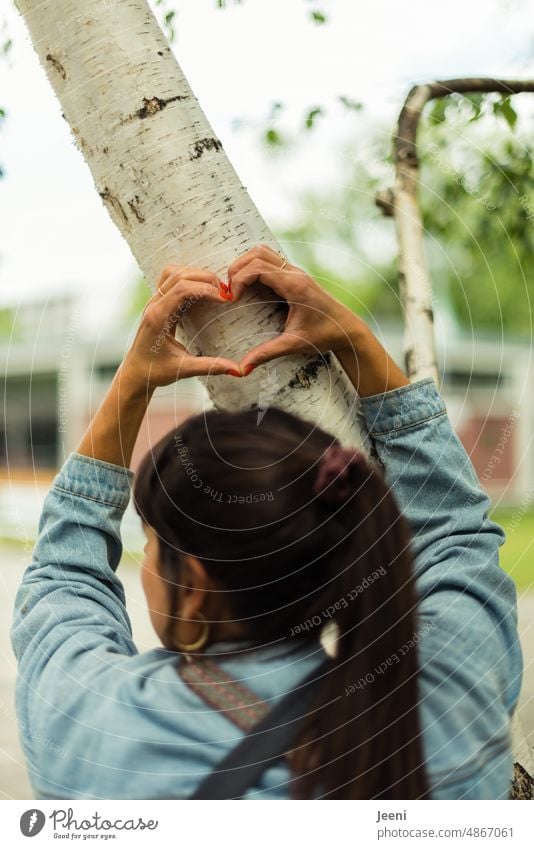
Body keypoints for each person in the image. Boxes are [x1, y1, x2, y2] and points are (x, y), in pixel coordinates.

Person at [11, 245, 521, 800]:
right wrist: (354, 339)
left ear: (198, 587)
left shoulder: (98, 728)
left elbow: (63, 583)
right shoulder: (449, 696)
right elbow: (455, 535)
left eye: (152, 547)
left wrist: (132, 383)